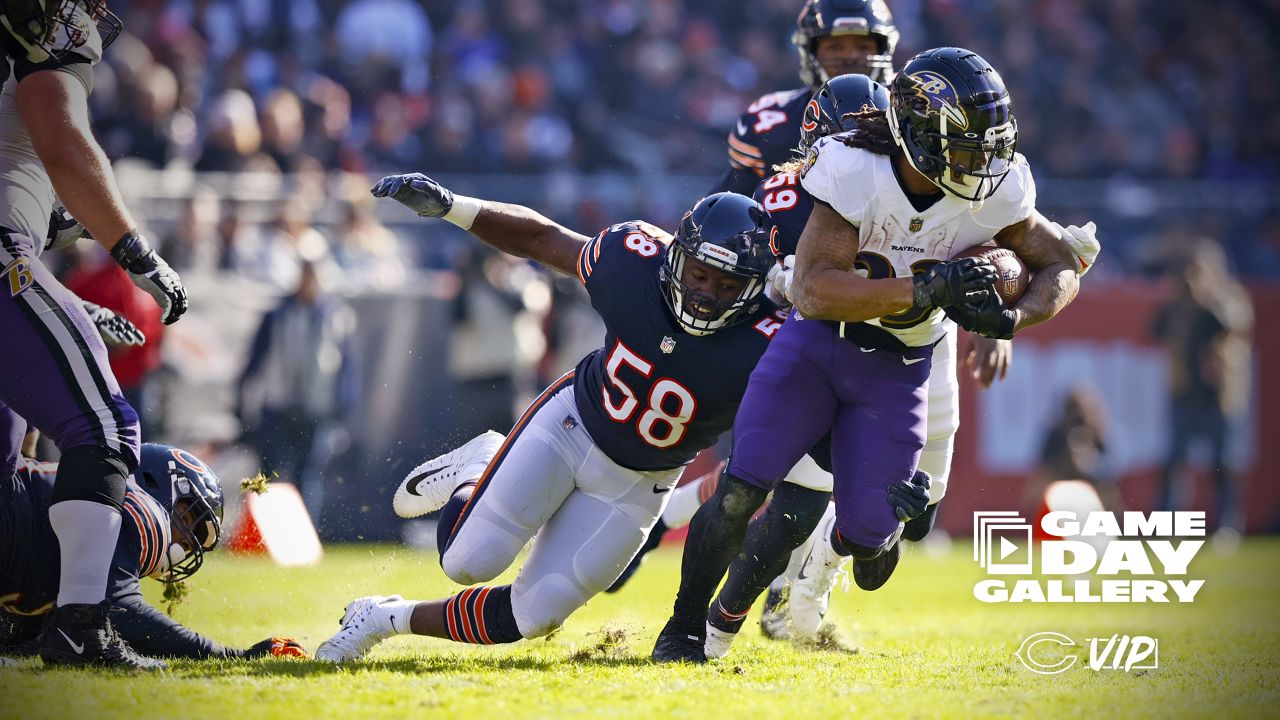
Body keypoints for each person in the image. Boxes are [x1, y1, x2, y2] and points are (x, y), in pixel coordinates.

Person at [653, 47, 1086, 663]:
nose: (982, 166)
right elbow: (814, 290)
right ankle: (687, 628)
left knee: (871, 539)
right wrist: (926, 288)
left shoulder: (999, 190)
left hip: (900, 368)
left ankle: (850, 548)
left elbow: (1062, 264)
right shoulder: (854, 167)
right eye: (966, 149)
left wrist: (1015, 318)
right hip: (816, 347)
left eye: (990, 148)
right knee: (745, 488)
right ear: (917, 135)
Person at [314, 175, 801, 660]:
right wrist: (452, 207)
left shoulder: (772, 338)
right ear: (677, 255)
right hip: (573, 424)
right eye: (698, 274)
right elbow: (544, 239)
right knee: (466, 561)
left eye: (727, 284)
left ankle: (382, 617)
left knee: (533, 617)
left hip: (640, 482)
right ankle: (480, 463)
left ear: (755, 287)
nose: (706, 293)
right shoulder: (633, 262)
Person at [0, 0, 187, 669]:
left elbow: (38, 184)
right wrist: (139, 256)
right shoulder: (45, 20)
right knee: (104, 429)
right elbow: (63, 143)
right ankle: (81, 626)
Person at [0, 441, 308, 660]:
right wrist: (231, 654)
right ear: (154, 482)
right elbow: (122, 612)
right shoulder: (133, 503)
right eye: (187, 521)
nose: (184, 543)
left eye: (190, 543)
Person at [238, 260, 361, 521]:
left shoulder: (337, 315)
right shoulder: (277, 314)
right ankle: (259, 529)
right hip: (277, 404)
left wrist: (343, 409)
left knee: (309, 476)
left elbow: (346, 365)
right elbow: (255, 360)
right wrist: (243, 402)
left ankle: (304, 534)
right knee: (267, 472)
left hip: (316, 407)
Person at [1152, 239, 1253, 535]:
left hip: (1219, 394)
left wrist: (1207, 297)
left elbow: (1233, 325)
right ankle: (1167, 524)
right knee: (1173, 462)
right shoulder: (1178, 303)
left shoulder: (1231, 297)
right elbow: (1156, 330)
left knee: (1222, 464)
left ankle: (1227, 525)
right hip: (1184, 391)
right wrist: (1183, 300)